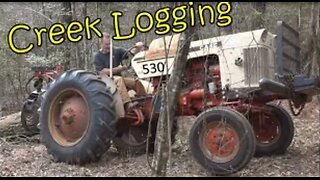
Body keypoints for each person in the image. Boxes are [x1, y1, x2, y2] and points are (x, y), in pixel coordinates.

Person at [93, 32, 147, 111]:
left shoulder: (116, 51)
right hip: (106, 81)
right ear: (101, 44)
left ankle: (144, 101)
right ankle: (127, 104)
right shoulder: (97, 56)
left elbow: (130, 53)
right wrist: (119, 69)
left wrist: (137, 47)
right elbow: (102, 72)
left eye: (110, 44)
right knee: (119, 80)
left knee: (136, 82)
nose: (109, 46)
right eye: (106, 44)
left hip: (118, 78)